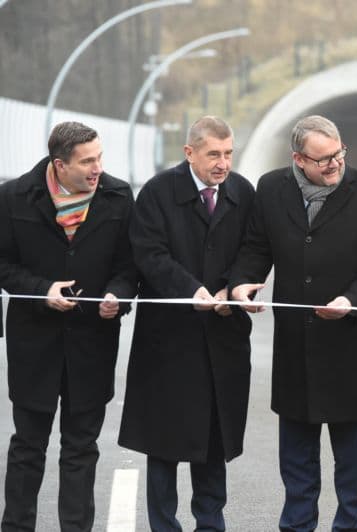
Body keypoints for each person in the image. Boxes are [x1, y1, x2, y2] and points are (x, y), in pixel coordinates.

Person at [229, 115, 357, 530]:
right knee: (297, 455)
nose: (334, 165)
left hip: (351, 342)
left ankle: (349, 525)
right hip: (296, 345)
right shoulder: (271, 188)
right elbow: (255, 247)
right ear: (298, 159)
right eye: (322, 160)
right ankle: (297, 524)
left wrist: (353, 300)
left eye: (338, 155)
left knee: (354, 458)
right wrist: (241, 285)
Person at [118, 116, 255, 531]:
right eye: (214, 154)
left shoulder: (242, 192)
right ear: (189, 152)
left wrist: (236, 288)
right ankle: (164, 524)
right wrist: (190, 289)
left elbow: (253, 248)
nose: (223, 163)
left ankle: (210, 523)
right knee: (163, 442)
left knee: (214, 440)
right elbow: (149, 253)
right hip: (169, 339)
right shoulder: (159, 192)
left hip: (223, 335)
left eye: (228, 153)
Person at [0, 121, 136, 531]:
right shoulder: (14, 197)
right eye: (87, 161)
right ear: (59, 165)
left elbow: (128, 267)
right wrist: (42, 290)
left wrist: (118, 297)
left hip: (92, 343)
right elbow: (3, 265)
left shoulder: (117, 195)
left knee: (80, 448)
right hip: (33, 344)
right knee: (27, 447)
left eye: (99, 157)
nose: (98, 168)